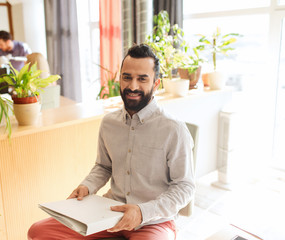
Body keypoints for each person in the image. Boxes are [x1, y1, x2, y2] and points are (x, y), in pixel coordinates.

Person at [27, 44, 195, 240]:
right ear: (120, 79)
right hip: (108, 213)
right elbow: (104, 166)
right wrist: (87, 187)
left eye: (142, 79)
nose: (133, 86)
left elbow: (184, 187)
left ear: (156, 84)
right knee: (38, 232)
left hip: (152, 221)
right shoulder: (109, 123)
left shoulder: (173, 129)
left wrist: (142, 212)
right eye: (127, 77)